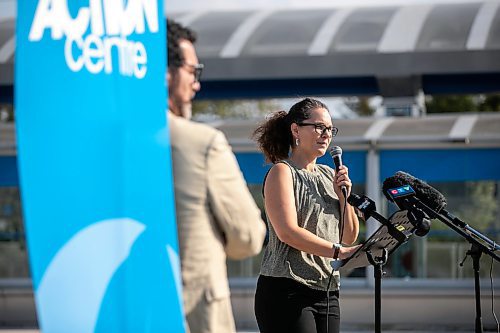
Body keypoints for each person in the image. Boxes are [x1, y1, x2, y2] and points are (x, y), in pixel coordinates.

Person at [166, 19, 266, 333]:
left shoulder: (98, 147)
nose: (197, 84)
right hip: (192, 314)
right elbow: (248, 237)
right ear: (165, 71)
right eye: (193, 71)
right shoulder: (201, 142)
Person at [252, 98, 360, 333]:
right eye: (319, 127)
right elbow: (288, 232)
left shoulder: (328, 174)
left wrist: (344, 198)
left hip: (327, 290)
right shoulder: (282, 172)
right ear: (295, 129)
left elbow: (349, 236)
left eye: (330, 129)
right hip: (287, 290)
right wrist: (337, 252)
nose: (326, 134)